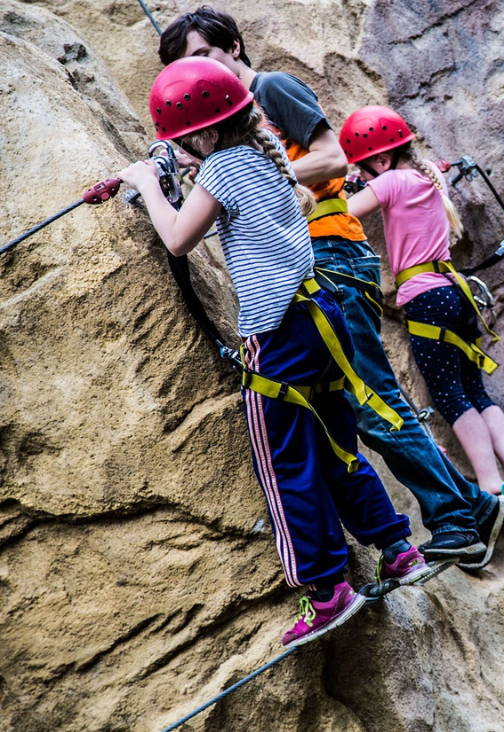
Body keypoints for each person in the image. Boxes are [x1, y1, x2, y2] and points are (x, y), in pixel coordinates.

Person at [158, 7, 504, 569]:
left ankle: (456, 520)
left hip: (332, 253)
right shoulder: (226, 131)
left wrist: (246, 174)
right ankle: (469, 506)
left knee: (370, 400)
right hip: (311, 263)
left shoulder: (270, 89)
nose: (197, 72)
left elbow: (334, 158)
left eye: (203, 56)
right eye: (184, 67)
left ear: (236, 48)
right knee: (352, 403)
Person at [119, 57, 434, 647]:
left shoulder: (219, 171)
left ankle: (324, 589)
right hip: (323, 314)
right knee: (338, 441)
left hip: (278, 331)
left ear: (205, 134)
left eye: (184, 139)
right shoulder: (266, 158)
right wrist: (186, 169)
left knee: (285, 462)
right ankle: (395, 547)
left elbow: (179, 239)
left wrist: (144, 181)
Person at [340, 106, 504, 513]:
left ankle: (491, 489)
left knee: (451, 397)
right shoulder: (429, 176)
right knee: (476, 391)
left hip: (425, 299)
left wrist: (342, 188)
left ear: (381, 159)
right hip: (455, 292)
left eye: (363, 168)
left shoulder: (392, 180)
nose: (361, 176)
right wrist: (359, 179)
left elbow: (340, 214)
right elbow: (418, 173)